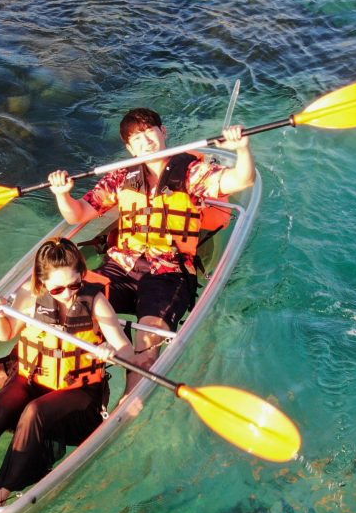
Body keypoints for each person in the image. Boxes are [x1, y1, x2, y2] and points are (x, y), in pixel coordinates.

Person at [47, 109, 255, 394]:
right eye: (136, 139)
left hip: (169, 273)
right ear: (130, 148)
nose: (145, 142)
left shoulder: (192, 172)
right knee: (63, 309)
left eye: (149, 132)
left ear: (163, 132)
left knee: (146, 347)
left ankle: (127, 408)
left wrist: (242, 149)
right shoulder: (121, 177)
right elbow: (78, 214)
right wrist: (62, 194)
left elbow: (242, 180)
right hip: (120, 267)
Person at [0, 238, 133, 513]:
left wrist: (109, 351)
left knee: (34, 411)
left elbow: (127, 351)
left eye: (74, 285)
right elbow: (5, 333)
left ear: (82, 275)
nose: (67, 294)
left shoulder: (95, 302)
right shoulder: (29, 295)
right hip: (32, 379)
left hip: (78, 397)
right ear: (43, 283)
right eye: (58, 288)